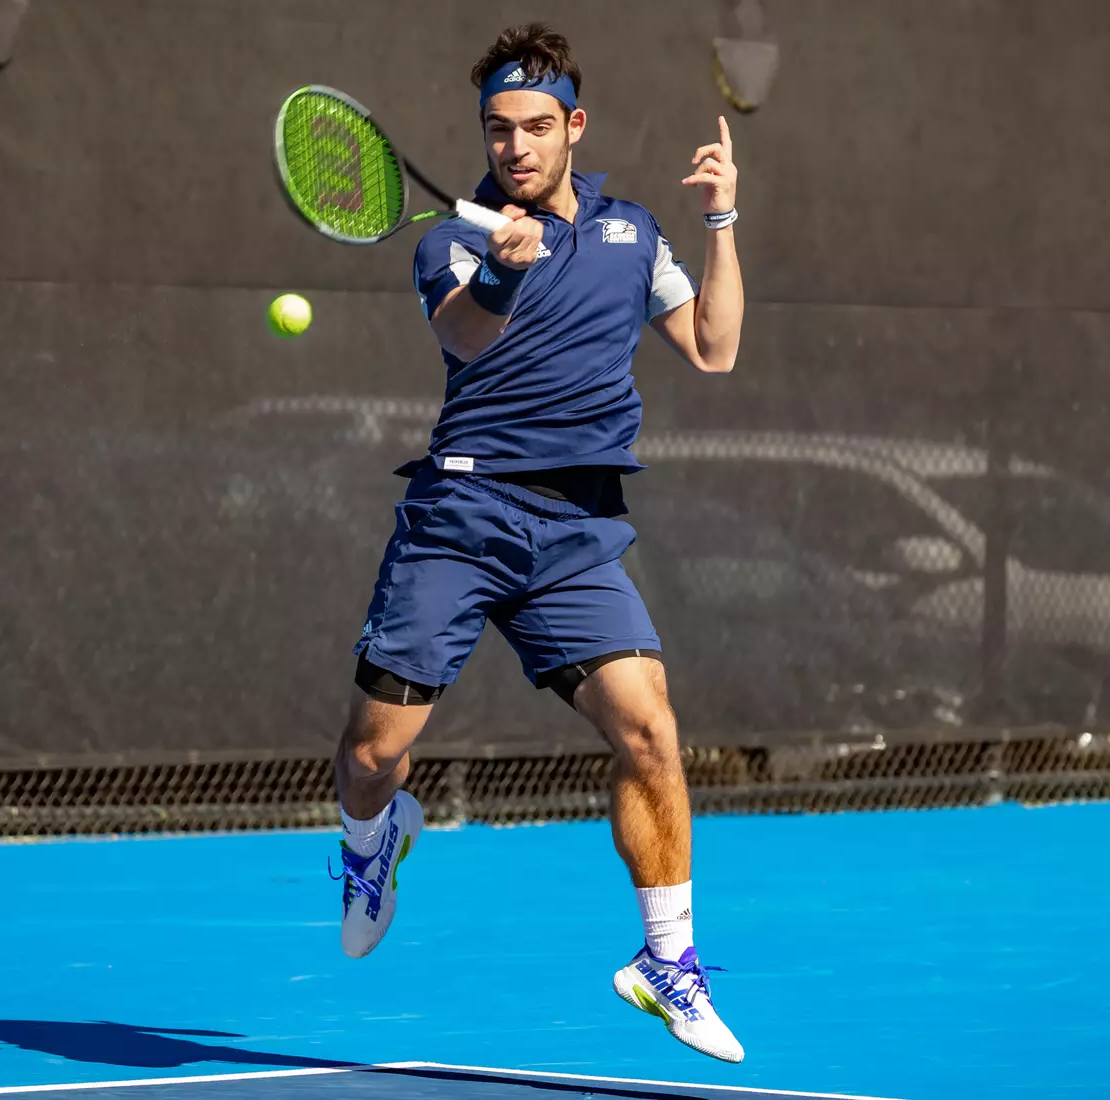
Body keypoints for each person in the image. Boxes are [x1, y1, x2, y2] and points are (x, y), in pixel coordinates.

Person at [329, 23, 745, 1063]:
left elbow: (713, 347)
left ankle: (667, 961)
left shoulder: (631, 233)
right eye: (498, 129)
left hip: (576, 533)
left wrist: (721, 220)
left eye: (535, 126)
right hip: (461, 522)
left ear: (574, 126)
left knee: (651, 729)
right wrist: (504, 275)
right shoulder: (452, 242)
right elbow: (465, 336)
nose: (515, 145)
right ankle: (373, 839)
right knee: (374, 754)